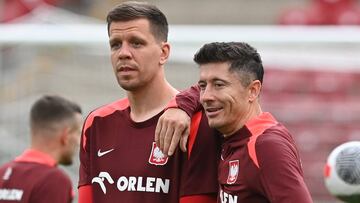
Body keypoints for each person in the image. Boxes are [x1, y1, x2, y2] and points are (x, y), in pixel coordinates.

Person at [78, 1, 220, 203]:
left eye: (136, 43)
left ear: (164, 53)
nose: (123, 53)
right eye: (115, 44)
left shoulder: (196, 122)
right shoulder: (96, 122)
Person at [156, 42, 313, 202]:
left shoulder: (266, 146)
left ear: (253, 90)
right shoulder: (232, 138)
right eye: (203, 86)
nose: (206, 97)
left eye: (219, 85)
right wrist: (181, 105)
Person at [0, 95, 82, 203]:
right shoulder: (54, 180)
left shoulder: (3, 172)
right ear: (66, 136)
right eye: (79, 133)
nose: (79, 141)